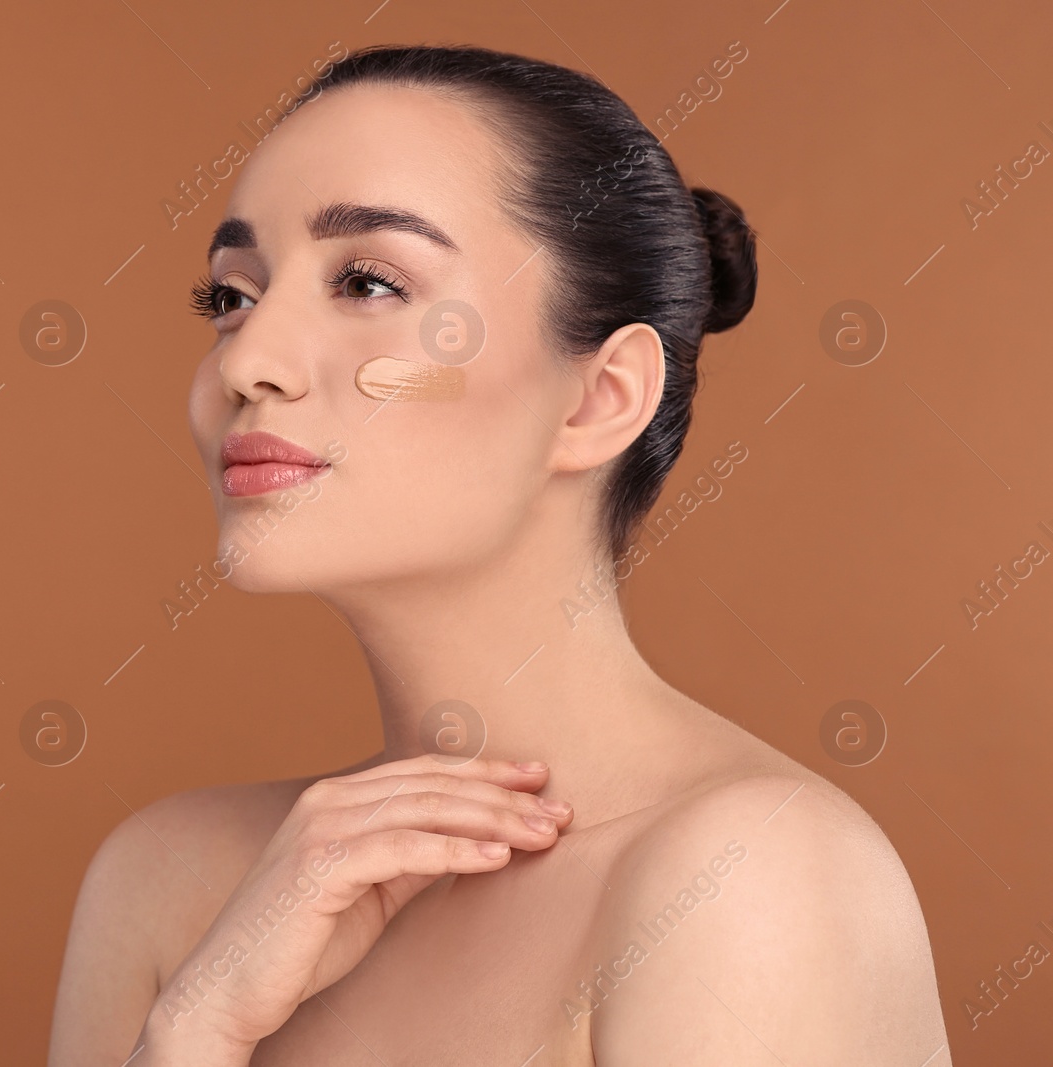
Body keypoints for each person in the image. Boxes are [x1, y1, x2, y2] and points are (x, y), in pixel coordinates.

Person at [49, 43, 950, 1065]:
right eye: (231, 296)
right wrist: (193, 1028)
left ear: (596, 397)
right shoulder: (168, 884)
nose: (247, 362)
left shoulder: (752, 879)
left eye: (369, 282)